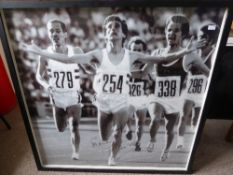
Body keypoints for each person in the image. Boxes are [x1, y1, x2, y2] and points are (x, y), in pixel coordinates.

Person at [21, 14, 200, 166]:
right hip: (103, 102)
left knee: (117, 133)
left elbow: (161, 60)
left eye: (116, 27)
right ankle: (110, 140)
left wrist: (185, 52)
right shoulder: (98, 54)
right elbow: (68, 60)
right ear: (105, 34)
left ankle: (112, 158)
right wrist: (41, 52)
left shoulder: (132, 55)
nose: (112, 29)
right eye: (108, 28)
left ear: (123, 34)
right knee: (105, 136)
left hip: (121, 102)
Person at [144, 14, 208, 161]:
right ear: (165, 31)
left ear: (183, 34)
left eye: (176, 30)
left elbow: (208, 72)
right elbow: (143, 73)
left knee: (169, 129)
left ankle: (166, 150)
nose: (171, 33)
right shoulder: (157, 53)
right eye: (169, 30)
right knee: (155, 119)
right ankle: (153, 139)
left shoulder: (189, 54)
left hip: (174, 99)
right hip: (157, 97)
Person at [35, 19, 84, 160]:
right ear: (48, 34)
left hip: (73, 96)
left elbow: (88, 68)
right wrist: (46, 85)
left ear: (65, 34)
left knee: (74, 126)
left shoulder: (75, 51)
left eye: (58, 30)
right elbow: (39, 75)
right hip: (57, 97)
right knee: (61, 129)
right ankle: (64, 121)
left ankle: (75, 153)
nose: (55, 33)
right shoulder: (44, 54)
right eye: (51, 31)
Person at [176, 22, 219, 149]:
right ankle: (179, 141)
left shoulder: (214, 52)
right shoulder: (194, 53)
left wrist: (201, 66)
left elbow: (212, 76)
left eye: (203, 36)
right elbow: (185, 67)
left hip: (202, 90)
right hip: (190, 89)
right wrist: (188, 51)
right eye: (199, 36)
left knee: (196, 119)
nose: (199, 39)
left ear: (211, 38)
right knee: (183, 116)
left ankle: (195, 141)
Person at [125, 36, 151, 151]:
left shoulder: (147, 64)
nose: (136, 53)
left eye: (139, 50)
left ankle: (138, 142)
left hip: (142, 97)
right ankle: (128, 129)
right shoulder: (126, 63)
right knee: (126, 116)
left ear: (144, 51)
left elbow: (151, 81)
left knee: (140, 122)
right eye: (133, 50)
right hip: (129, 97)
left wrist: (148, 79)